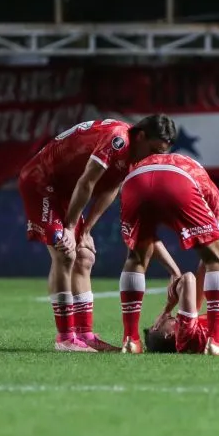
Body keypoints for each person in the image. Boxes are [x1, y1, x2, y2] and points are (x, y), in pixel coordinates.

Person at [19, 116, 177, 352]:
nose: (151, 157)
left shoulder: (135, 156)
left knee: (85, 257)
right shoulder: (118, 140)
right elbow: (87, 182)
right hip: (41, 181)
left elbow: (110, 189)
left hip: (65, 191)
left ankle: (85, 335)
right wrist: (71, 229)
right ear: (141, 136)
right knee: (66, 254)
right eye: (153, 150)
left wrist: (86, 231)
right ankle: (65, 338)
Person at [118, 152, 219, 355]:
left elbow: (147, 238)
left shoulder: (142, 163)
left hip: (134, 180)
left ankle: (131, 339)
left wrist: (173, 271)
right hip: (179, 179)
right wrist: (198, 310)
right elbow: (210, 262)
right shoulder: (216, 203)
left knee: (136, 256)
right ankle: (216, 341)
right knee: (216, 258)